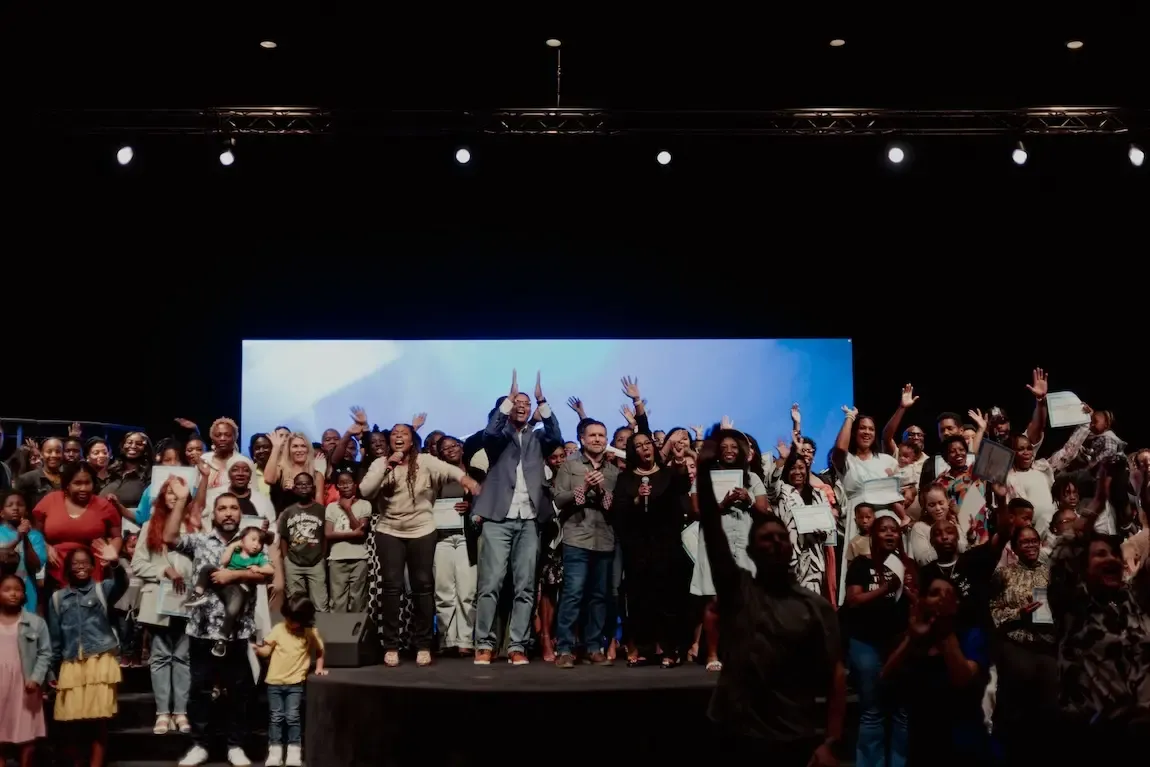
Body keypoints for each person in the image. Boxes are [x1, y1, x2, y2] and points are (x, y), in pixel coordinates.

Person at [695, 435, 846, 766]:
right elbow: (712, 531)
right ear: (751, 551)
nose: (776, 542)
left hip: (793, 734)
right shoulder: (739, 590)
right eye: (766, 538)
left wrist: (832, 741)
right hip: (736, 733)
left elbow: (836, 675)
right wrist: (704, 471)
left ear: (790, 547)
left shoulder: (814, 606)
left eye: (781, 537)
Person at [164, 482, 271, 767]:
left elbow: (266, 576)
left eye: (233, 508)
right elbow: (170, 538)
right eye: (222, 508)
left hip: (237, 632)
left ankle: (236, 746)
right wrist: (180, 501)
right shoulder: (200, 541)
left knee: (239, 691)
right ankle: (200, 744)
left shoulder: (252, 540)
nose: (228, 513)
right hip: (201, 629)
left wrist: (233, 577)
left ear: (241, 513)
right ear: (213, 514)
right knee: (199, 689)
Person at [471, 370, 562, 666]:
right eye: (517, 403)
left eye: (525, 403)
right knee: (491, 583)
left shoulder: (539, 438)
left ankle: (517, 646)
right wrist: (508, 400)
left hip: (530, 519)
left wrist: (542, 401)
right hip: (499, 517)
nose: (522, 405)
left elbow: (557, 436)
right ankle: (484, 644)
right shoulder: (498, 438)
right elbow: (489, 432)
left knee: (525, 586)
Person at [47, 544, 127, 767]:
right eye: (75, 563)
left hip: (99, 660)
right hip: (71, 662)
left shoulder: (103, 589)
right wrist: (51, 669)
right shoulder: (57, 598)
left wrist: (114, 563)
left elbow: (122, 584)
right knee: (70, 722)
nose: (80, 566)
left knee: (97, 721)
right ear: (68, 569)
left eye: (84, 562)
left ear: (92, 567)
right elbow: (55, 637)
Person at [256, 595, 328, 767]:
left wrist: (319, 666)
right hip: (274, 683)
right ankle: (275, 751)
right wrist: (257, 649)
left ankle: (294, 751)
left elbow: (320, 651)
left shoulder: (311, 633)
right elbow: (266, 651)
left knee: (292, 717)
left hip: (295, 684)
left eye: (292, 619)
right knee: (276, 717)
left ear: (303, 619)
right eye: (287, 617)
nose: (288, 621)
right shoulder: (279, 629)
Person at [184, 526, 274, 657]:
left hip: (239, 590)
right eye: (253, 540)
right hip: (222, 582)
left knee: (232, 610)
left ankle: (221, 639)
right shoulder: (236, 551)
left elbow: (270, 570)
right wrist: (232, 547)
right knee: (207, 568)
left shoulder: (258, 557)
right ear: (242, 540)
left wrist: (258, 569)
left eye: (260, 542)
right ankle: (198, 594)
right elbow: (223, 561)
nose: (257, 544)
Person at [0, 573, 50, 767]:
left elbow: (45, 653)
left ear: (24, 594)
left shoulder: (35, 622)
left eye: (18, 590)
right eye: (7, 590)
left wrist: (37, 678)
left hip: (25, 684)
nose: (13, 594)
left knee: (27, 733)